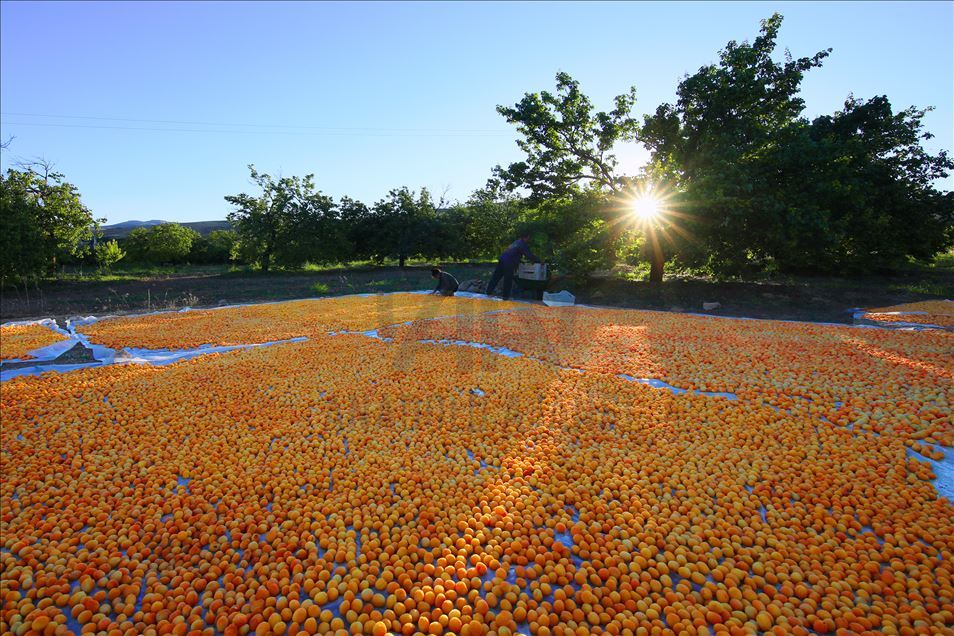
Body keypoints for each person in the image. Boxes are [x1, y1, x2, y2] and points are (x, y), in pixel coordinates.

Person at [486, 233, 539, 300]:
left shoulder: (516, 242)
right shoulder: (522, 244)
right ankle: (505, 297)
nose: (529, 239)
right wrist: (538, 261)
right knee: (508, 280)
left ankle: (488, 291)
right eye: (529, 238)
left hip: (502, 259)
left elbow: (513, 252)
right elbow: (529, 255)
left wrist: (519, 260)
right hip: (509, 262)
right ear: (527, 237)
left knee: (496, 277)